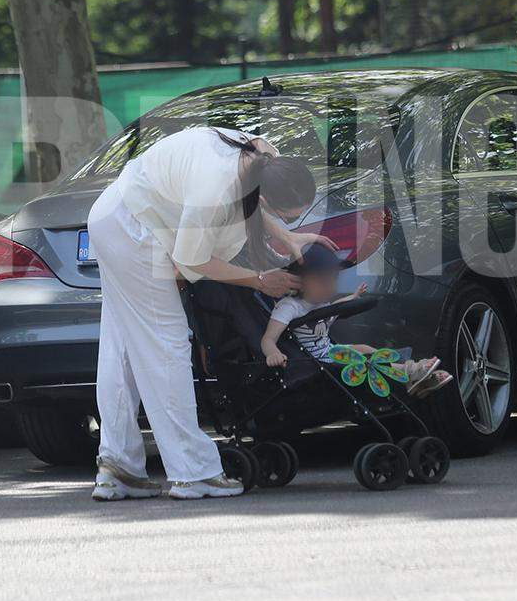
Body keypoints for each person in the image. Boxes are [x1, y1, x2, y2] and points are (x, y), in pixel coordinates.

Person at [90, 125, 332, 502]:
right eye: (285, 215)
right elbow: (190, 260)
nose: (287, 221)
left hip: (115, 213)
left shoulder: (261, 154)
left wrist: (287, 236)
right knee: (166, 347)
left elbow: (254, 199)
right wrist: (258, 280)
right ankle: (193, 472)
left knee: (121, 345)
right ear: (266, 197)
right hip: (134, 229)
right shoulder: (216, 191)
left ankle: (118, 467)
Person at [260, 243, 453, 398]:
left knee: (365, 349)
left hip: (333, 353)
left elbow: (337, 307)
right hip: (315, 363)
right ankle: (410, 372)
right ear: (298, 281)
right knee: (367, 361)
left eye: (334, 279)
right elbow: (268, 339)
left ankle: (412, 375)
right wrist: (273, 354)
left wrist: (353, 297)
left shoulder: (321, 303)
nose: (330, 286)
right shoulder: (289, 307)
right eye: (323, 280)